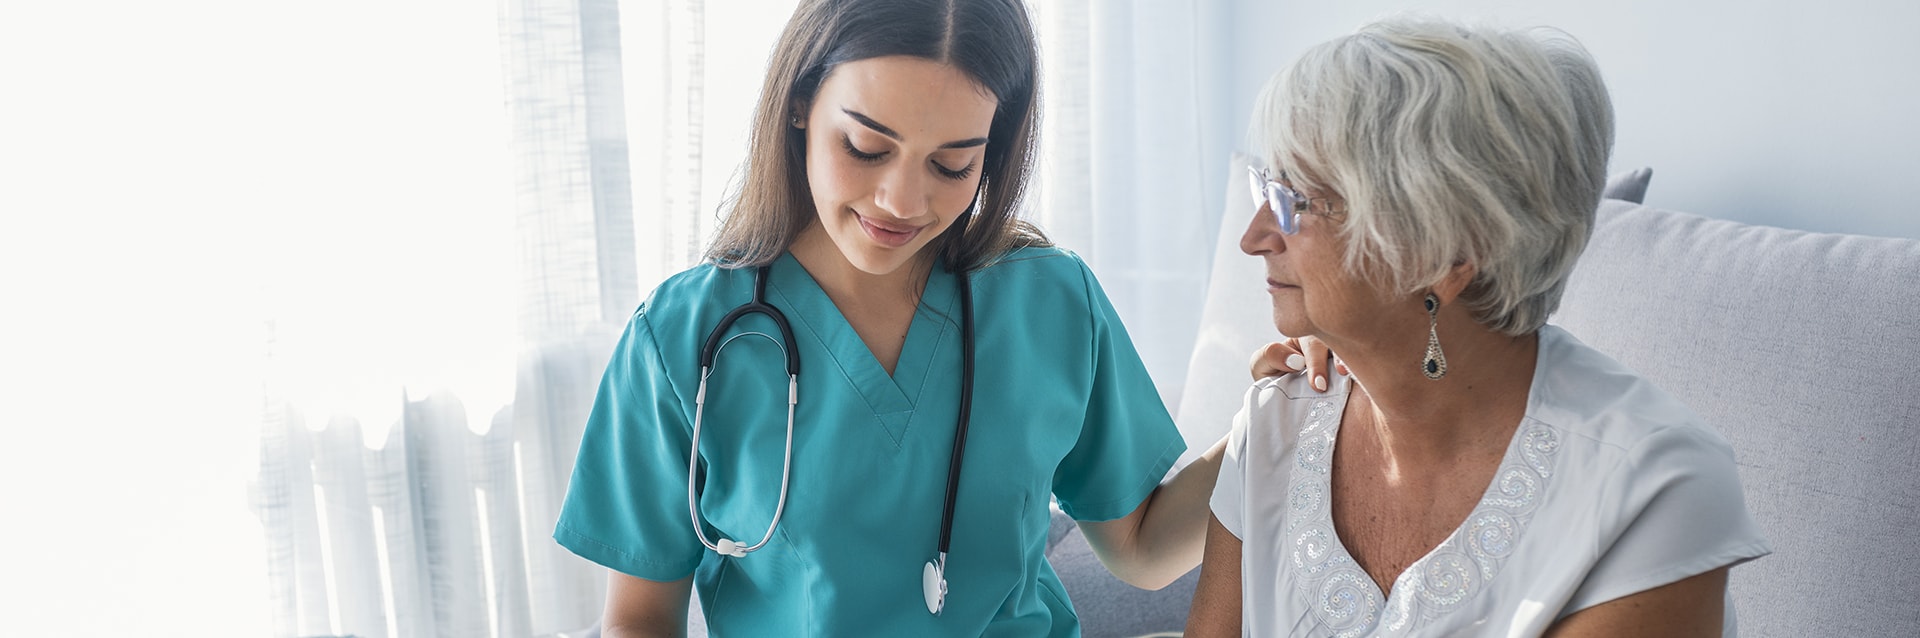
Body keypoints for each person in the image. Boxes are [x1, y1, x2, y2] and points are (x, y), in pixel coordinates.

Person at [552, 0, 1324, 635]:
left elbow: (1143, 547)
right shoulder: (683, 339)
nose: (903, 202)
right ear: (797, 107)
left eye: (952, 164)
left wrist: (1281, 419)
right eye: (864, 146)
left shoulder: (1048, 304)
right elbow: (640, 619)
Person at [1186, 18, 1771, 637]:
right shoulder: (1278, 418)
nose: (1253, 238)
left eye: (1295, 202)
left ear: (1447, 256)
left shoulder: (1651, 486)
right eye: (1267, 188)